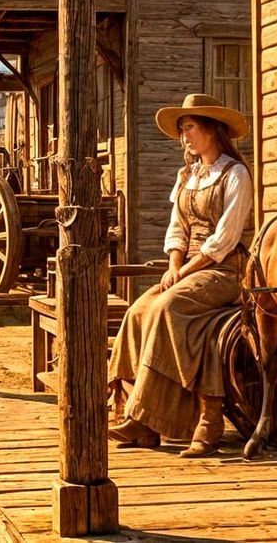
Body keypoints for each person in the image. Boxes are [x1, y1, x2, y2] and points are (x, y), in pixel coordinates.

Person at [107, 93, 252, 457]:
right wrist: (174, 265)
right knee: (138, 311)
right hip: (186, 267)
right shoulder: (187, 176)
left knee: (167, 307)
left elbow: (224, 239)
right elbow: (177, 229)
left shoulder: (235, 175)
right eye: (182, 130)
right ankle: (139, 417)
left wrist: (185, 271)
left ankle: (149, 417)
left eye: (190, 128)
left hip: (223, 271)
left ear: (212, 131)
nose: (184, 137)